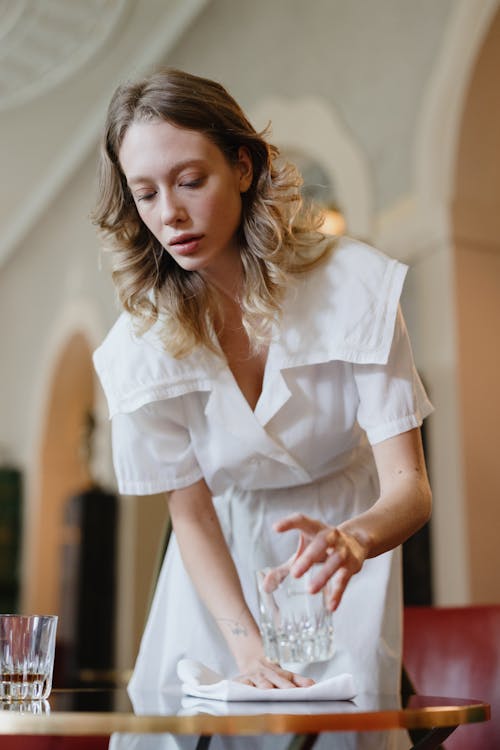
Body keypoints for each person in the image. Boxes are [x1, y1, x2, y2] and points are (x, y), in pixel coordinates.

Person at [92, 68, 433, 698]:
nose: (169, 213)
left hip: (341, 564)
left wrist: (355, 540)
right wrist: (246, 653)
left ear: (244, 167)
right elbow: (191, 517)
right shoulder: (138, 347)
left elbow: (410, 488)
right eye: (145, 194)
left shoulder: (356, 288)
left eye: (191, 181)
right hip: (213, 579)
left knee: (335, 733)